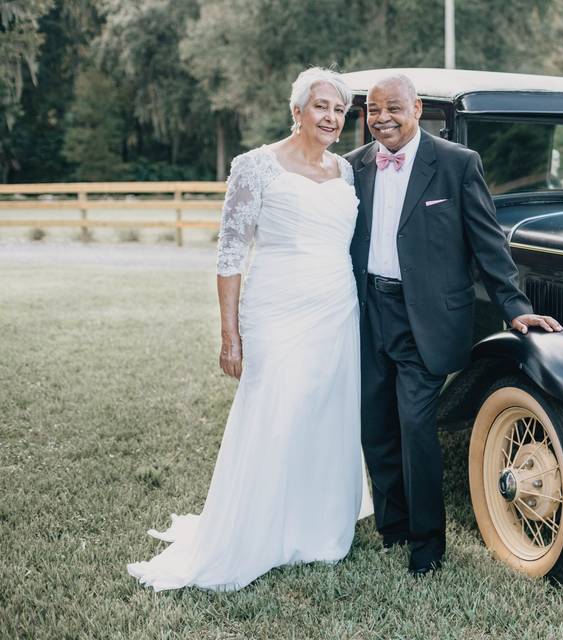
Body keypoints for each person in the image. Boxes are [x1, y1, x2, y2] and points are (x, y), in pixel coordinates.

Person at [127, 67, 372, 592]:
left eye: (339, 110)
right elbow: (231, 254)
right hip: (277, 307)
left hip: (336, 306)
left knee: (327, 410)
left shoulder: (344, 173)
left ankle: (315, 526)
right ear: (297, 112)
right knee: (275, 412)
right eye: (321, 107)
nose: (331, 118)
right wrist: (230, 334)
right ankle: (253, 532)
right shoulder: (254, 167)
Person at [345, 74, 562, 577]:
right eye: (373, 110)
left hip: (426, 316)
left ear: (417, 108)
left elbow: (488, 243)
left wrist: (514, 306)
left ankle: (427, 544)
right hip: (365, 311)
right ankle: (393, 527)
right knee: (375, 426)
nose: (383, 118)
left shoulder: (458, 164)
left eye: (393, 108)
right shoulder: (353, 167)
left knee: (416, 426)